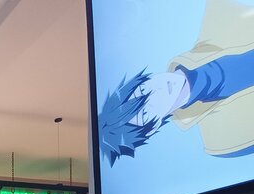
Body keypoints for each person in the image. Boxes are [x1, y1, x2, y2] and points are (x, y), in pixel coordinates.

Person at [98, 0, 254, 165]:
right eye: (145, 113)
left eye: (142, 90)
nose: (155, 92)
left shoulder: (217, 15)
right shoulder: (223, 143)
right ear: (153, 127)